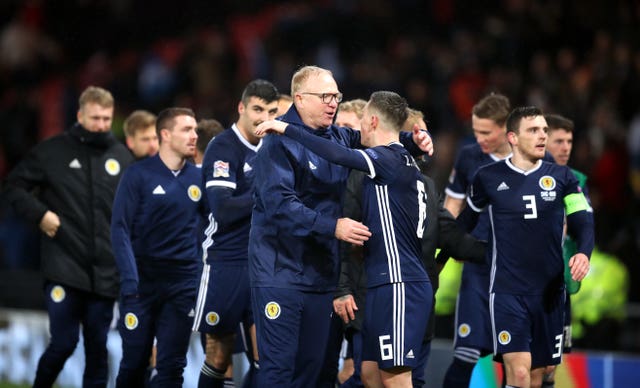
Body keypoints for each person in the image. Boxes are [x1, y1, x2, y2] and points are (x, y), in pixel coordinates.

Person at [248, 66, 433, 387]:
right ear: (300, 98)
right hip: (281, 275)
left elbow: (374, 140)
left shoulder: (335, 135)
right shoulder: (275, 142)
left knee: (316, 371)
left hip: (322, 276)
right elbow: (279, 205)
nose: (333, 103)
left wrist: (413, 141)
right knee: (278, 372)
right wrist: (332, 226)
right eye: (325, 97)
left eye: (336, 96)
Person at [334, 109, 486, 388]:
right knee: (365, 376)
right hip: (373, 296)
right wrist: (344, 288)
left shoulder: (424, 185)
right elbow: (349, 235)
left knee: (404, 378)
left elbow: (450, 234)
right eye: (419, 134)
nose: (426, 141)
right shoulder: (365, 179)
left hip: (414, 299)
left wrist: (499, 251)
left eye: (427, 133)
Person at [2, 86, 134, 387]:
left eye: (106, 118)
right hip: (64, 267)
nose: (101, 125)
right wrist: (40, 214)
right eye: (95, 118)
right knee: (63, 343)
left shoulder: (121, 157)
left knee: (98, 351)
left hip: (105, 273)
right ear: (79, 115)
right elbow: (13, 186)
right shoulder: (52, 151)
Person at [465, 106, 593, 387]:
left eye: (545, 130)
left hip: (550, 292)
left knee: (539, 375)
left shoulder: (563, 178)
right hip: (508, 291)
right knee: (519, 373)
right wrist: (437, 257)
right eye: (533, 130)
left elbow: (582, 220)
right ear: (513, 137)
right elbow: (464, 224)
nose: (542, 136)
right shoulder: (487, 177)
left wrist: (583, 252)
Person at [192, 79, 279, 388]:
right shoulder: (223, 148)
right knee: (219, 354)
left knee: (267, 357)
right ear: (241, 108)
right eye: (257, 109)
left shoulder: (272, 148)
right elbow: (223, 210)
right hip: (225, 263)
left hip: (263, 265)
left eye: (270, 111)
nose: (263, 118)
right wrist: (266, 193)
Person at [111, 107, 203, 387]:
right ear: (165, 135)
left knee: (172, 366)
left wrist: (200, 278)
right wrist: (130, 280)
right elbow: (119, 228)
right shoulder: (137, 175)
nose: (194, 136)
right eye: (186, 129)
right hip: (142, 285)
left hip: (183, 285)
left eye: (195, 130)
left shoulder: (199, 178)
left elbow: (213, 230)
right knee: (135, 362)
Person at [441, 93, 513, 387]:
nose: (479, 138)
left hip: (515, 274)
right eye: (475, 131)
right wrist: (449, 241)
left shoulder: (533, 158)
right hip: (478, 268)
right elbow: (452, 204)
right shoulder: (469, 156)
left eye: (486, 132)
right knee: (465, 354)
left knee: (514, 359)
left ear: (506, 127)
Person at [542, 113, 593, 387]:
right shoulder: (523, 177)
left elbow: (586, 225)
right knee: (521, 363)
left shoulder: (577, 181)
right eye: (559, 141)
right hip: (523, 284)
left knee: (552, 365)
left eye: (569, 141)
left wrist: (583, 252)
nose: (566, 147)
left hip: (560, 284)